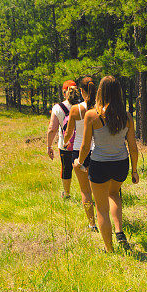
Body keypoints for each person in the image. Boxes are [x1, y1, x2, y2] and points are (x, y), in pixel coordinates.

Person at [74, 75, 139, 252]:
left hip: (100, 164)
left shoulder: (92, 115)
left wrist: (78, 162)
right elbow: (133, 147)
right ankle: (119, 231)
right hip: (121, 164)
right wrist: (134, 170)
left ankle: (109, 249)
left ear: (100, 92)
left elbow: (86, 146)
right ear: (119, 93)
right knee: (114, 194)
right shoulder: (126, 117)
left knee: (101, 208)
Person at [64, 77, 98, 231]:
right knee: (98, 188)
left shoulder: (76, 109)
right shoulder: (99, 108)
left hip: (79, 151)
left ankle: (92, 223)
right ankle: (103, 216)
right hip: (97, 150)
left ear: (82, 91)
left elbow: (69, 132)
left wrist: (65, 142)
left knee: (85, 190)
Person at [46, 80, 80, 199]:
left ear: (64, 92)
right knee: (85, 169)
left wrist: (49, 146)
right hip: (83, 144)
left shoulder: (58, 108)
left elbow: (52, 129)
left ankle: (66, 193)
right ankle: (87, 193)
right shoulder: (84, 105)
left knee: (66, 169)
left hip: (66, 145)